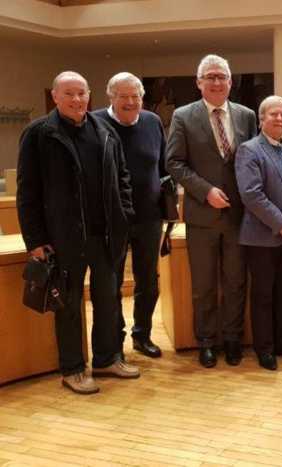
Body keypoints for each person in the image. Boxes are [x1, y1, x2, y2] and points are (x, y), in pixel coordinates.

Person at [17, 71, 139, 394]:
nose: (76, 100)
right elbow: (27, 193)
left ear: (90, 95)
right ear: (55, 97)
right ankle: (72, 368)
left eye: (82, 93)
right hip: (63, 239)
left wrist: (124, 215)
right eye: (69, 94)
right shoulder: (38, 134)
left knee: (108, 300)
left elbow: (122, 177)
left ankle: (106, 358)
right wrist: (36, 241)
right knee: (69, 307)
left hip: (106, 236)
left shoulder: (105, 130)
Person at [166, 54, 257, 368]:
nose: (217, 82)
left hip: (238, 217)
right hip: (202, 217)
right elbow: (174, 162)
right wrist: (206, 191)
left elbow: (252, 160)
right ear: (199, 82)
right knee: (203, 285)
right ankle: (206, 341)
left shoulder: (246, 116)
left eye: (222, 77)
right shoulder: (183, 116)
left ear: (230, 82)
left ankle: (232, 339)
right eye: (211, 77)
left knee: (236, 281)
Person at [94, 72, 166, 359]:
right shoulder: (95, 123)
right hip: (112, 219)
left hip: (149, 217)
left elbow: (162, 168)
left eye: (135, 96)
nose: (130, 102)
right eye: (123, 96)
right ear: (111, 97)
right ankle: (115, 340)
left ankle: (142, 335)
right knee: (111, 283)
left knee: (148, 281)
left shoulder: (152, 121)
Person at [236, 95, 282, 371]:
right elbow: (252, 195)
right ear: (261, 118)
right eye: (273, 114)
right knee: (263, 295)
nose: (279, 119)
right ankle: (264, 349)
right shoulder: (249, 150)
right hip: (261, 238)